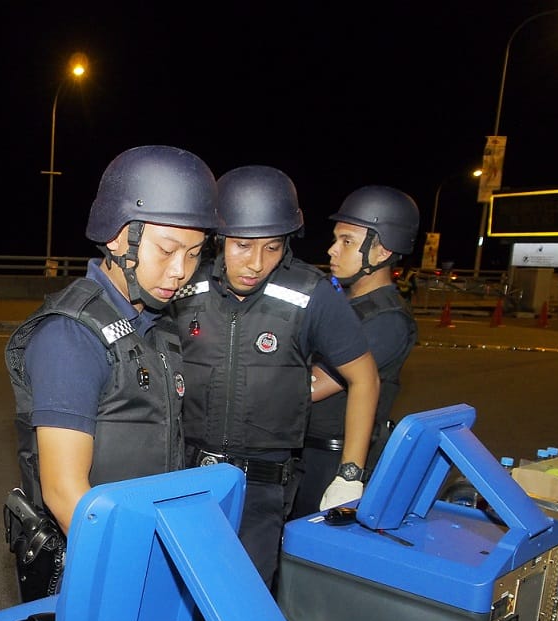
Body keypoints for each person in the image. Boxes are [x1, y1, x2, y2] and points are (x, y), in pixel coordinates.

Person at [4, 145, 216, 600]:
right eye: (167, 250)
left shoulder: (154, 326)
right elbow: (64, 492)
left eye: (195, 254)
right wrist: (131, 569)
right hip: (98, 564)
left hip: (147, 549)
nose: (180, 271)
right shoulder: (72, 336)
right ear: (119, 236)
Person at [169, 166, 378, 589]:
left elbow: (365, 378)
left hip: (261, 493)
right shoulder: (184, 285)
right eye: (243, 246)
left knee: (245, 606)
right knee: (178, 600)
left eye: (272, 247)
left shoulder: (310, 294)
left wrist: (350, 473)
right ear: (219, 239)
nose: (256, 263)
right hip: (185, 478)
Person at [291, 186, 420, 518]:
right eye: (336, 239)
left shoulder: (386, 319)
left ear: (381, 251)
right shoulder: (346, 304)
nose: (333, 250)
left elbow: (311, 386)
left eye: (347, 241)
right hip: (307, 454)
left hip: (331, 463)